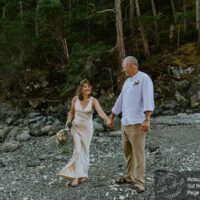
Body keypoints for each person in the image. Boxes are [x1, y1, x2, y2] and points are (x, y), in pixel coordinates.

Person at [108, 56, 154, 193]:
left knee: (138, 154)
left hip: (138, 123)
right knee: (127, 152)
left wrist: (147, 119)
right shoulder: (127, 82)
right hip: (125, 123)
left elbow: (148, 98)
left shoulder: (144, 78)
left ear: (130, 65)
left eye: (123, 67)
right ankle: (129, 176)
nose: (123, 70)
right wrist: (112, 116)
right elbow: (120, 100)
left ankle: (140, 183)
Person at [58, 79, 110, 187]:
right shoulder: (75, 99)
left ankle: (82, 174)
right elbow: (71, 113)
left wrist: (107, 120)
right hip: (75, 128)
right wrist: (67, 124)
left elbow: (100, 112)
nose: (87, 88)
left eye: (89, 86)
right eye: (85, 86)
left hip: (87, 130)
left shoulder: (93, 100)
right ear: (81, 89)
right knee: (77, 150)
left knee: (84, 152)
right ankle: (75, 177)